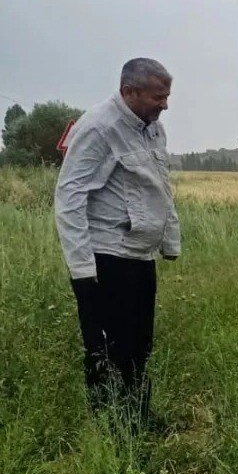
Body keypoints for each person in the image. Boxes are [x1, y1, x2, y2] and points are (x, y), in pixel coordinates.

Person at [54, 58, 179, 426]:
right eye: (159, 97)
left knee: (140, 344)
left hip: (140, 253)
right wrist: (81, 269)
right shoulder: (98, 127)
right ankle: (109, 425)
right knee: (107, 345)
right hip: (105, 255)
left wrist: (169, 241)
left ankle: (137, 415)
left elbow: (161, 187)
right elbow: (70, 196)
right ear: (129, 92)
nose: (165, 105)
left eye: (167, 96)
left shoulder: (152, 129)